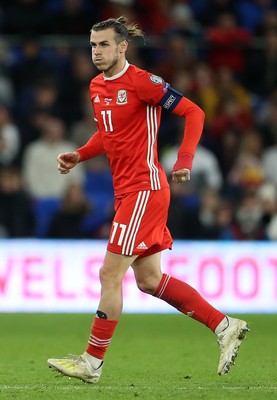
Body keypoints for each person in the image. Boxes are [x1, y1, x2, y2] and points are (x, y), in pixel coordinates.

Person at [47, 16, 249, 384]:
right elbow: (109, 136)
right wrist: (80, 154)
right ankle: (224, 325)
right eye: (93, 45)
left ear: (123, 47)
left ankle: (91, 362)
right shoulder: (96, 86)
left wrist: (184, 158)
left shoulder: (143, 82)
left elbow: (194, 111)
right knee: (150, 280)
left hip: (145, 189)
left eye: (104, 44)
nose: (97, 51)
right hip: (127, 191)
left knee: (110, 273)